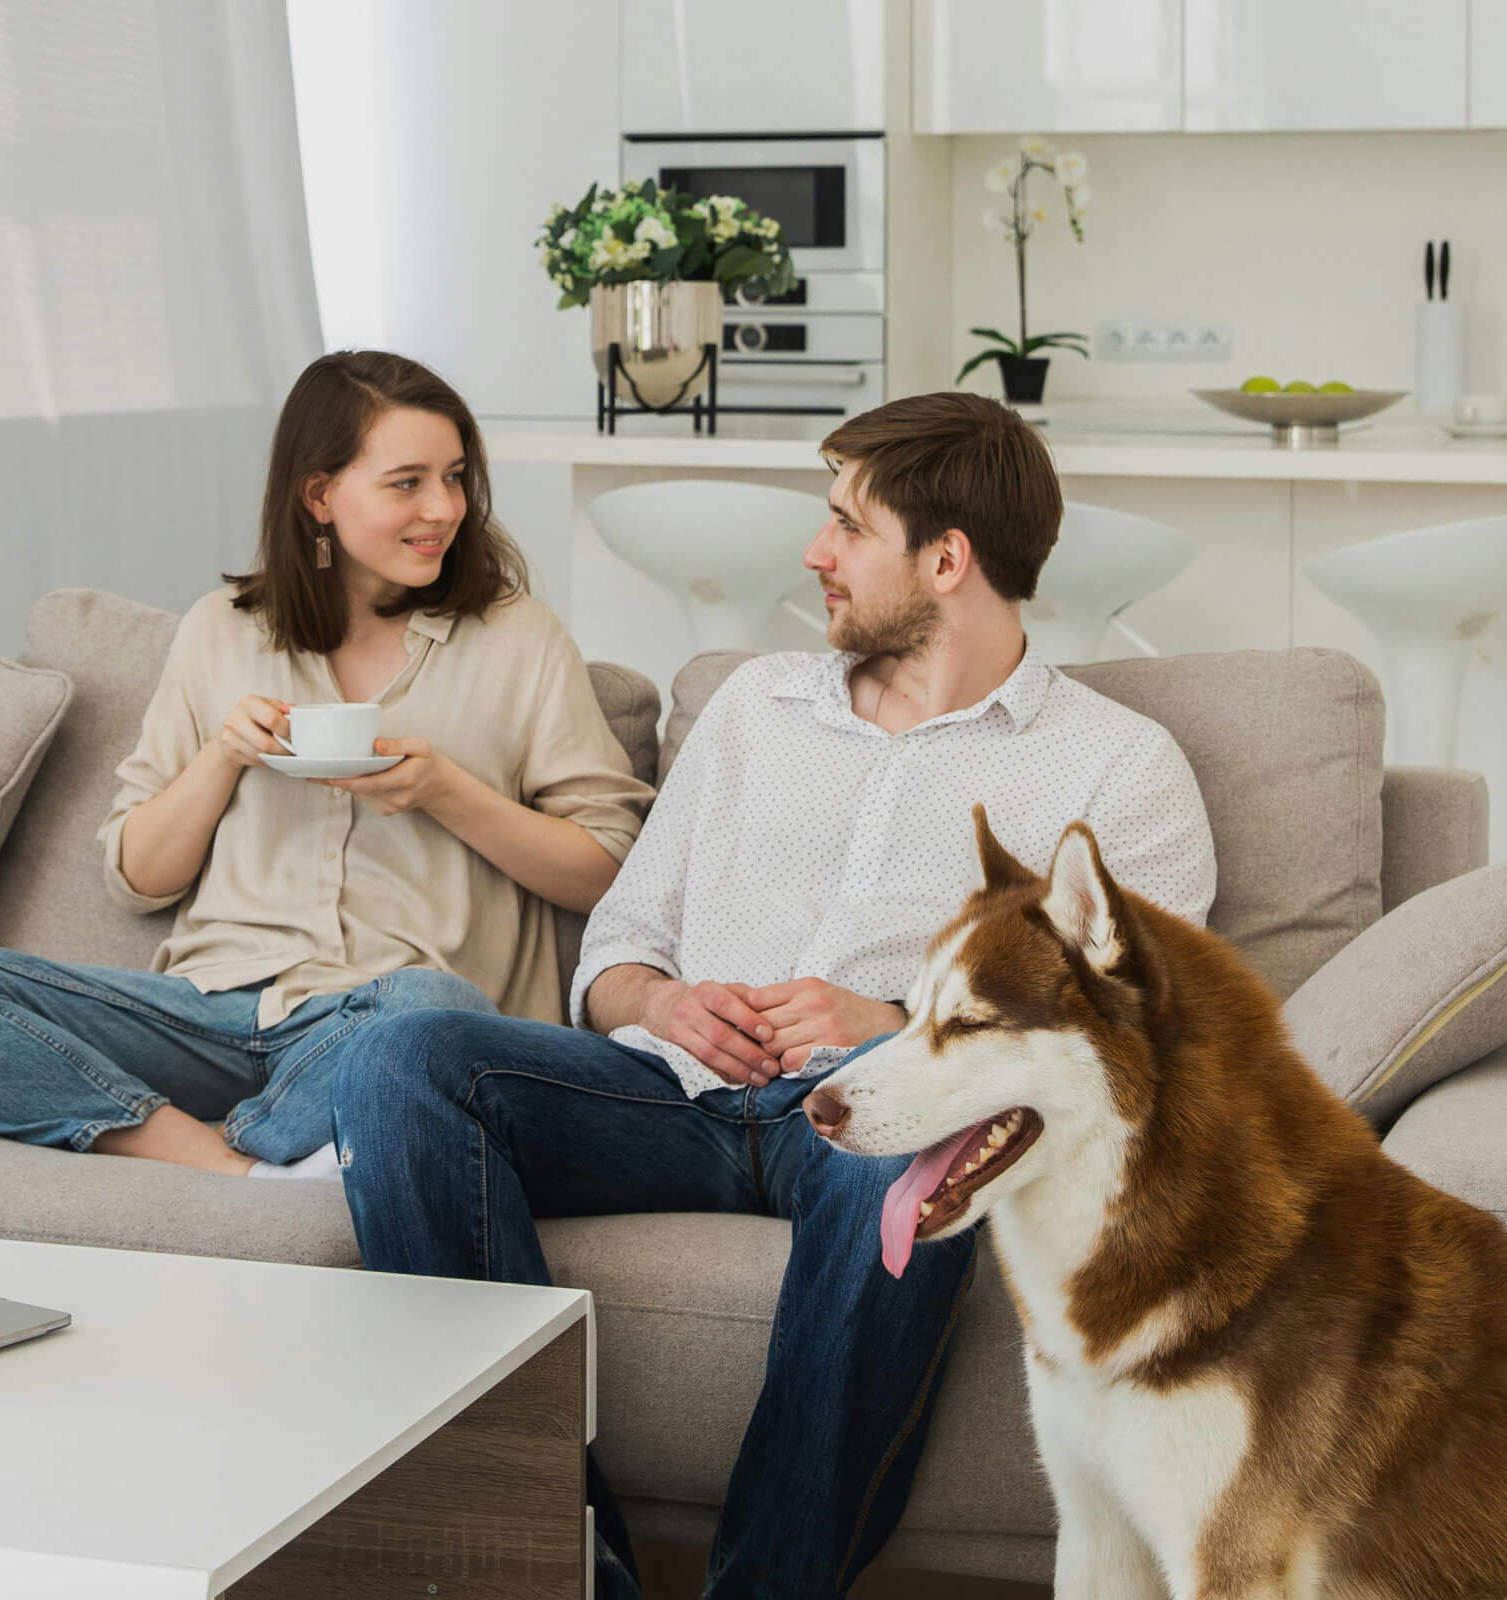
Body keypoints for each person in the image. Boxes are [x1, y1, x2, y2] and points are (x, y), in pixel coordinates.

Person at [329, 391, 1217, 1595]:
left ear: (947, 560)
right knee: (400, 1061)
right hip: (668, 1094)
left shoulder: (1116, 767)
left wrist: (897, 1031)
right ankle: (555, 1566)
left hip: (875, 1120)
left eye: (847, 527)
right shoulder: (756, 708)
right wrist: (656, 1004)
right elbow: (619, 944)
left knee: (905, 1168)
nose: (815, 555)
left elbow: (1137, 1040)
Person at [0, 351, 653, 1177]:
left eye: (455, 477)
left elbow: (609, 872)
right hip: (208, 1014)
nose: (443, 508)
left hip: (387, 1015)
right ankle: (225, 1159)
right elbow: (138, 877)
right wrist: (222, 757)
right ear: (320, 495)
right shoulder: (222, 629)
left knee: (434, 1013)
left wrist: (444, 790)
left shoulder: (519, 638)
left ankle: (272, 1137)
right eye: (407, 482)